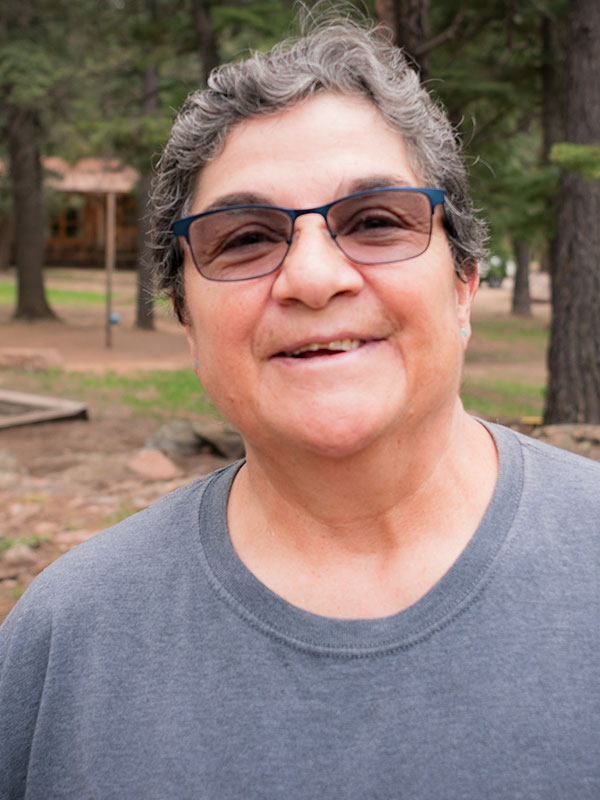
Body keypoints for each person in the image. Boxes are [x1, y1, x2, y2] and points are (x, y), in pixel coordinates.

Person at [1, 13, 599, 800]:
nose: (315, 279)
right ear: (187, 318)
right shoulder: (64, 645)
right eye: (245, 238)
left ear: (464, 282)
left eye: (378, 221)